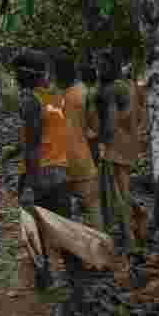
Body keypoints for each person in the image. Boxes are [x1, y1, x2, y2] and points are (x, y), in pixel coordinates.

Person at [13, 50, 85, 316]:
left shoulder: (30, 101)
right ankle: (77, 290)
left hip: (39, 174)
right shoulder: (55, 97)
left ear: (26, 75)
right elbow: (48, 134)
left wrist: (29, 184)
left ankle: (45, 280)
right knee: (64, 230)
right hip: (59, 172)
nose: (15, 77)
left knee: (35, 229)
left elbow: (33, 146)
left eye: (18, 72)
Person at [95, 51, 146, 259]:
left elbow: (112, 121)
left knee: (118, 193)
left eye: (103, 66)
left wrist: (102, 143)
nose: (100, 69)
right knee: (119, 191)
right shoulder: (127, 86)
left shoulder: (114, 89)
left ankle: (130, 239)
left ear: (113, 66)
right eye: (98, 65)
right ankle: (135, 223)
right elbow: (139, 114)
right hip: (126, 144)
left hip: (115, 146)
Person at [55, 53, 102, 231]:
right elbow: (95, 130)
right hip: (71, 162)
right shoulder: (74, 94)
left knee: (90, 206)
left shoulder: (79, 95)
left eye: (56, 73)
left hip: (75, 161)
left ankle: (99, 247)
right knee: (88, 208)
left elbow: (95, 131)